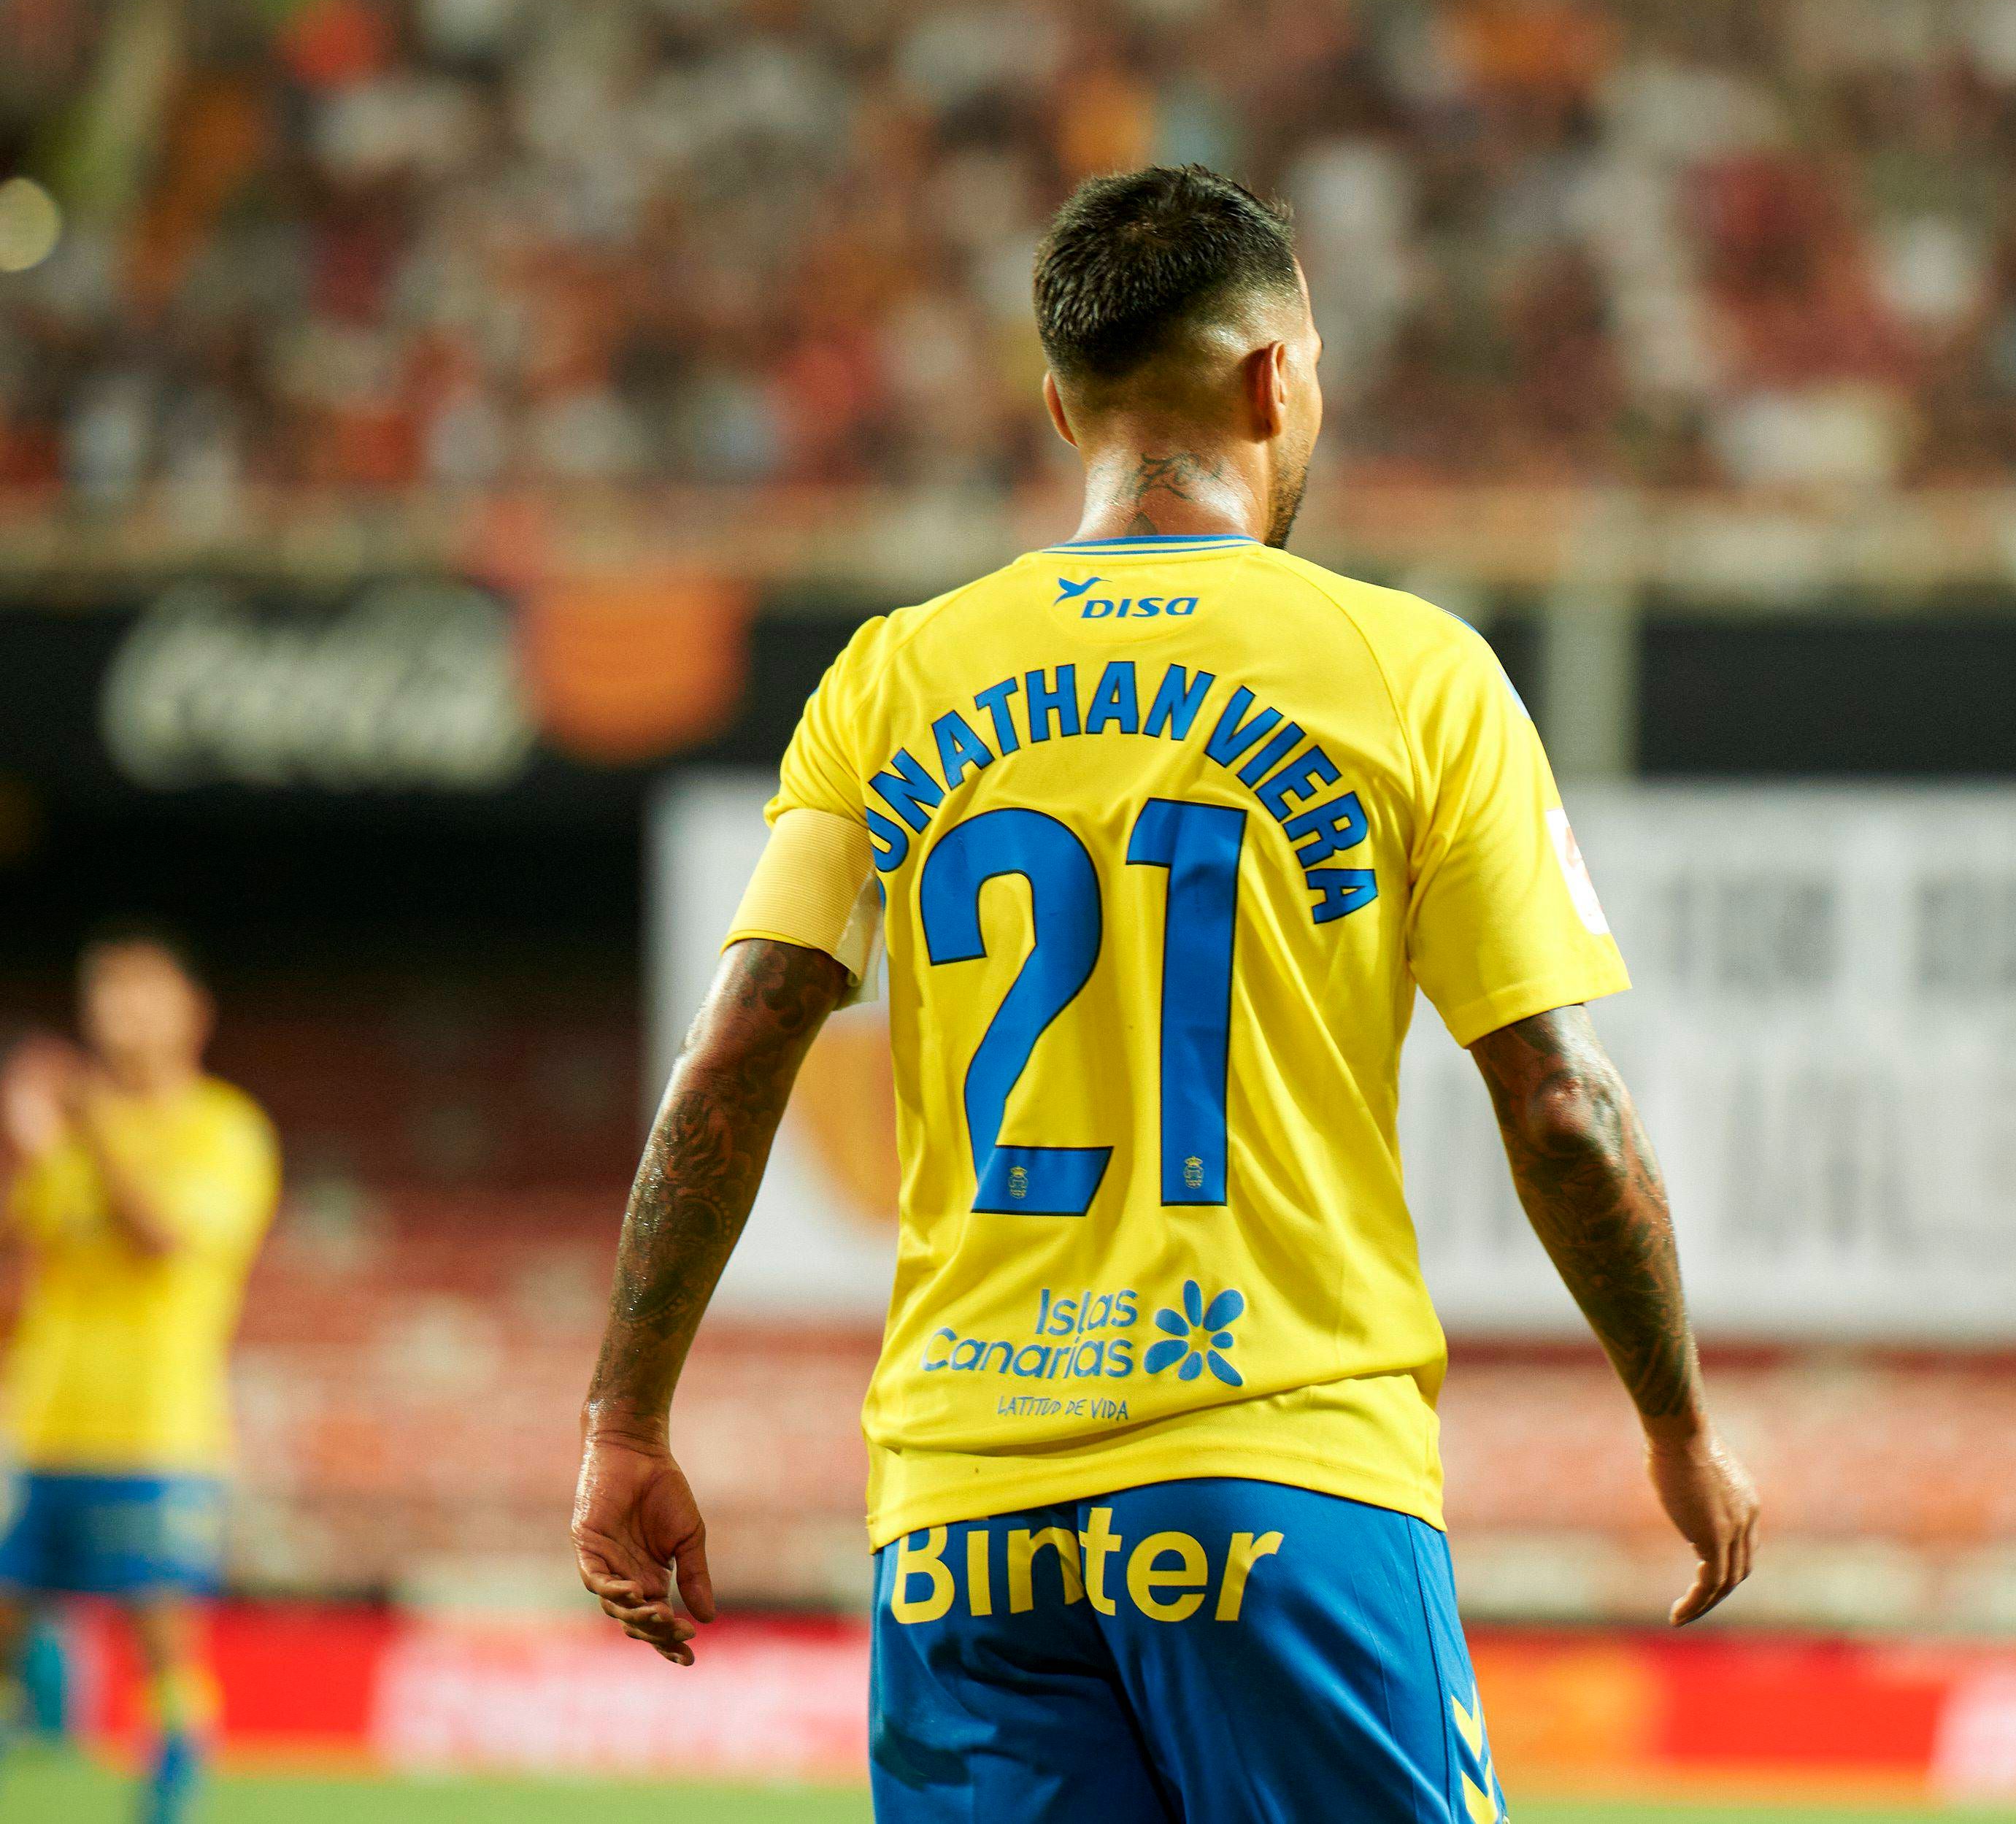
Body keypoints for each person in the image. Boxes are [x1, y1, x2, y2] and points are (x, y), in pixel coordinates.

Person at [570, 164, 1760, 1823]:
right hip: (1274, 1472)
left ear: (1062, 405)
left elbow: (735, 1055)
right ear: (1278, 378)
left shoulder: (895, 675)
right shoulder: (1409, 672)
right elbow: (1556, 1101)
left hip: (960, 1518)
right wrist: (1676, 1424)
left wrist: (626, 1417)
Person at [0, 928, 280, 1824]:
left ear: (193, 1013)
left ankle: (166, 1800)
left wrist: (87, 1125)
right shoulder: (63, 1141)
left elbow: (161, 1237)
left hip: (157, 1430)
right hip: (41, 1422)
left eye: (142, 993)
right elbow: (21, 1267)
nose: (120, 1014)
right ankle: (44, 1697)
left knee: (162, 1639)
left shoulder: (224, 1130)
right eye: (106, 995)